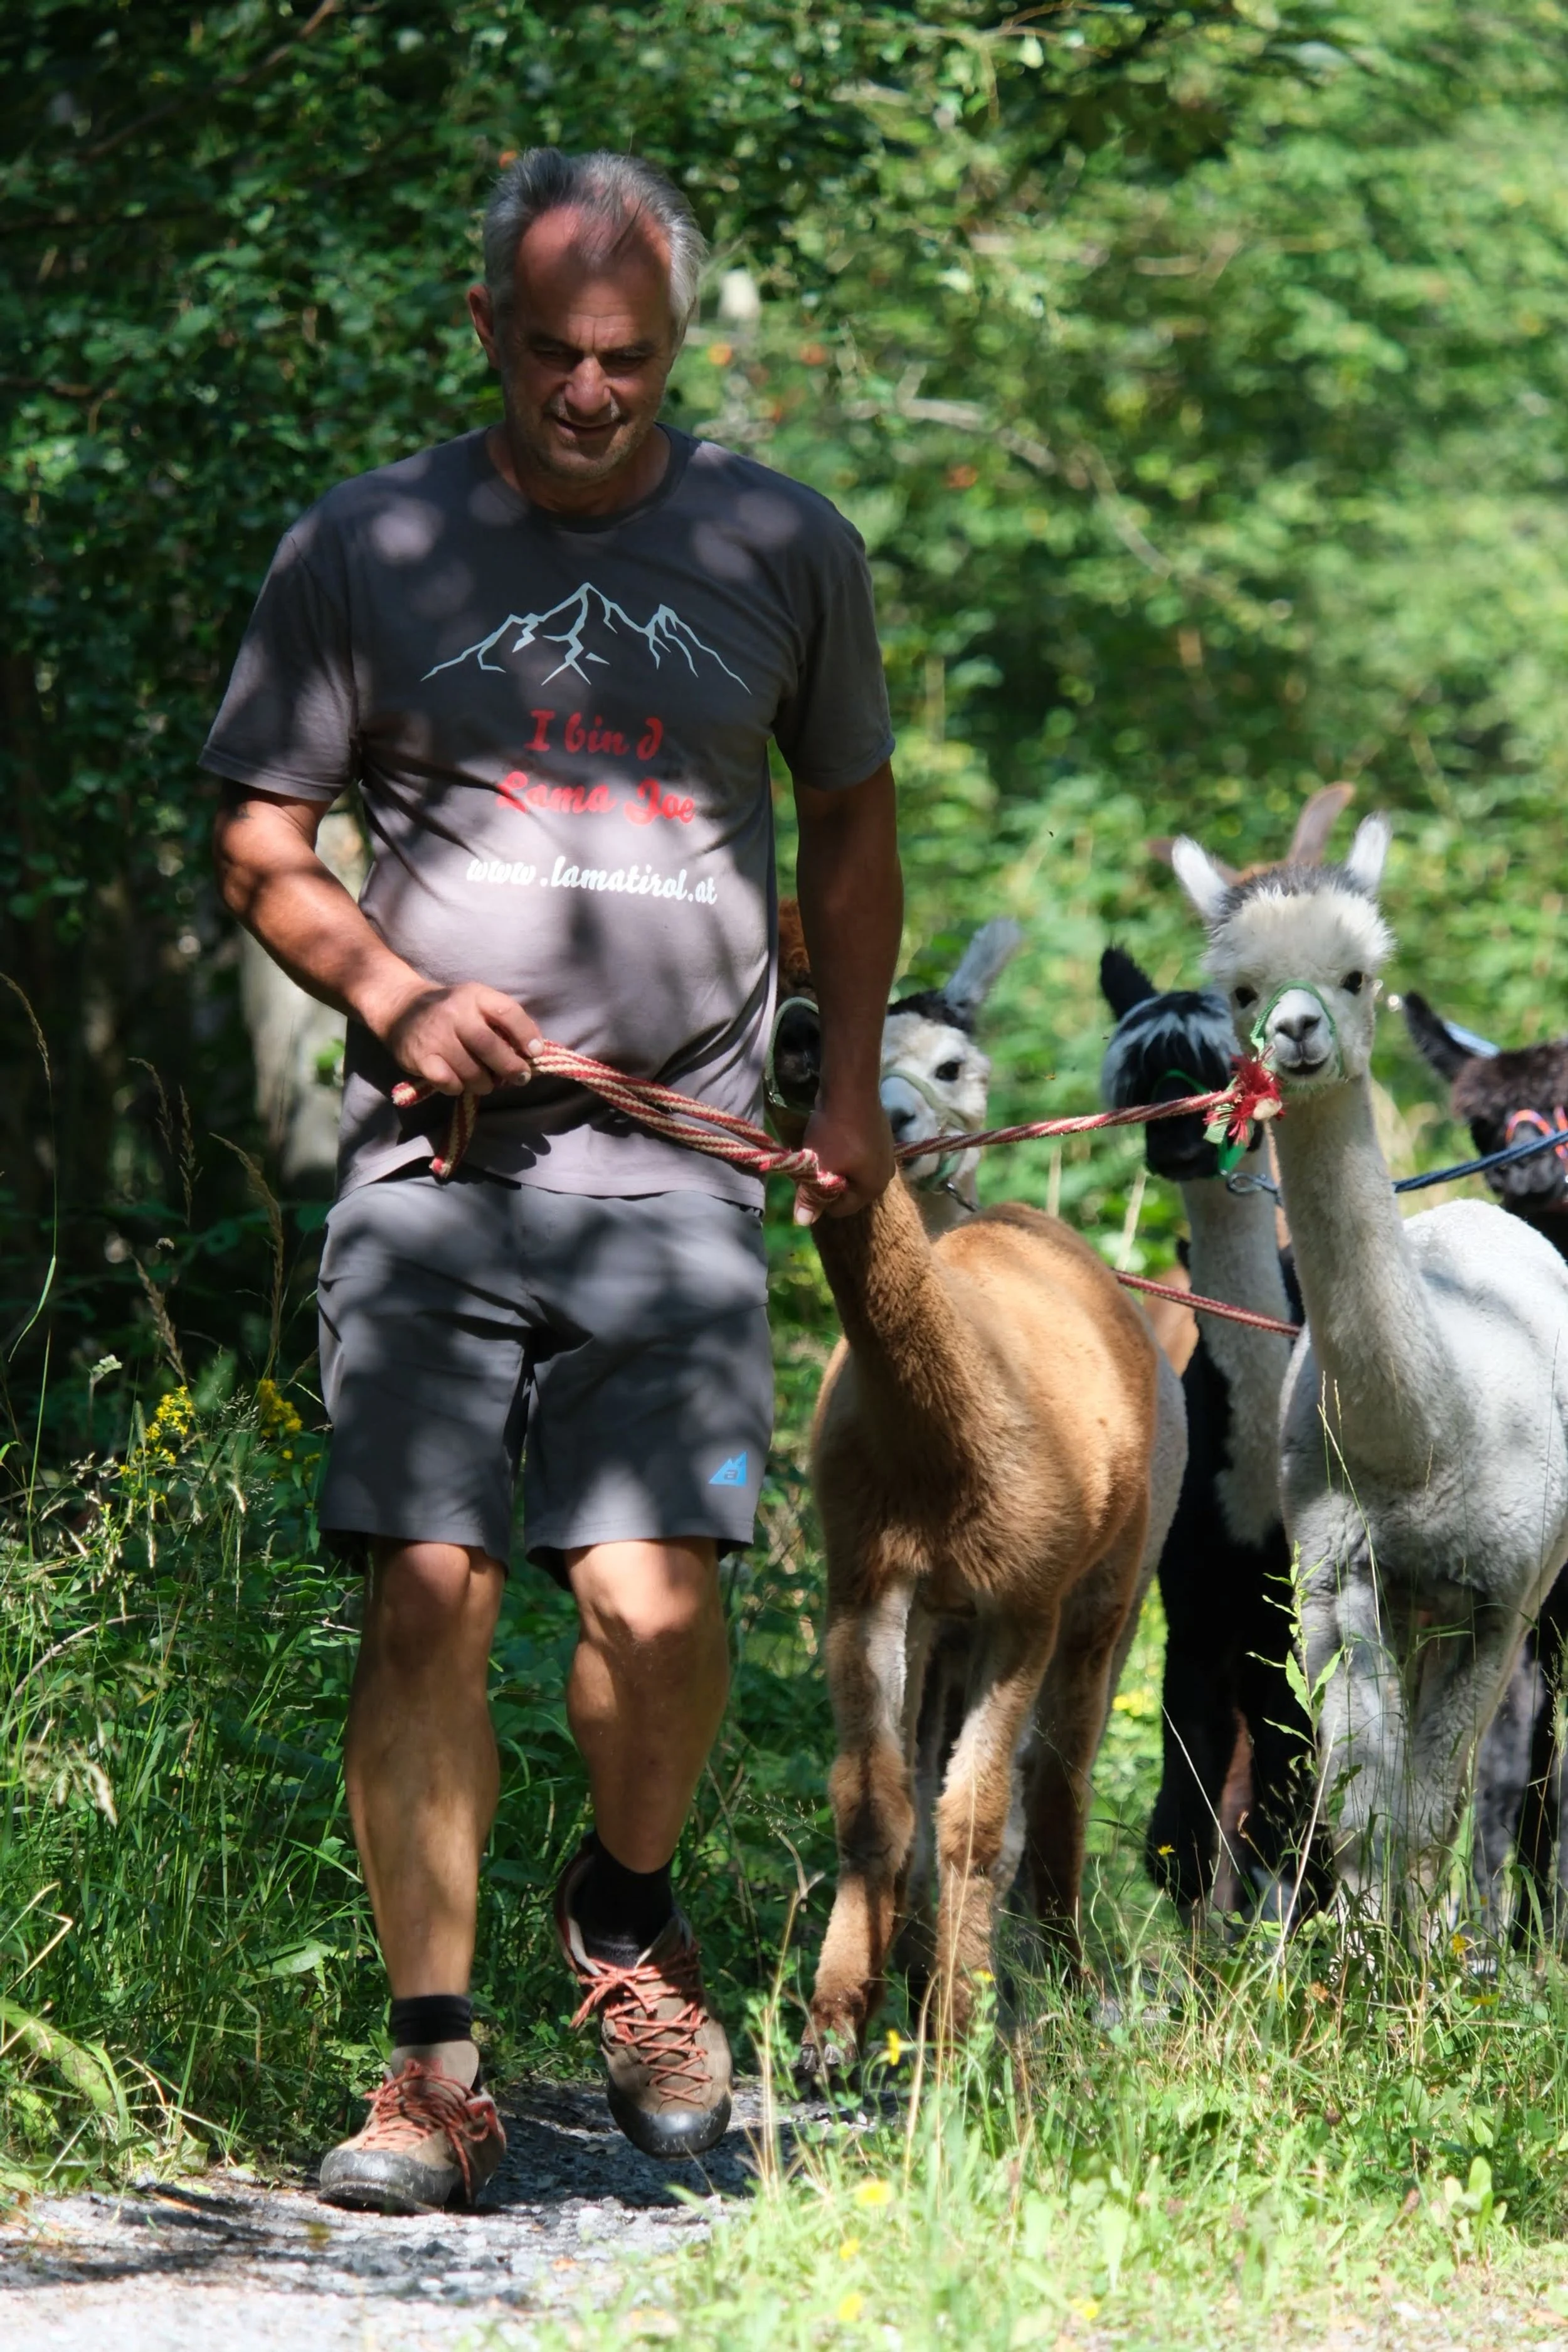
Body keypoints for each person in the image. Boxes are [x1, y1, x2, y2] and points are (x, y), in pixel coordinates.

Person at [206, 147, 902, 2212]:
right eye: (550, 352)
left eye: (628, 355)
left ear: (674, 339)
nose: (589, 392)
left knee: (651, 1596)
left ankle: (625, 1907)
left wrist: (843, 1086)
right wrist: (396, 989)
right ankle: (431, 2072)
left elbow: (852, 832)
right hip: (434, 1169)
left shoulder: (786, 541)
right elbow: (263, 842)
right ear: (484, 329)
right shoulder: (369, 542)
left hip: (675, 1172)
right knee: (426, 1586)